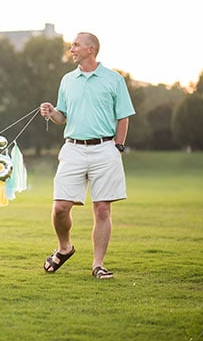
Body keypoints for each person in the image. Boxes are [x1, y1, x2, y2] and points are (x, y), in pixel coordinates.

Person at [39, 32, 135, 279]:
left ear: (90, 49)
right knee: (60, 207)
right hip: (73, 149)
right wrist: (51, 112)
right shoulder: (68, 80)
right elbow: (63, 117)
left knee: (102, 209)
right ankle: (64, 248)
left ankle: (97, 265)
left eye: (76, 45)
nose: (71, 49)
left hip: (105, 149)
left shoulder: (114, 80)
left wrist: (119, 147)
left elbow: (123, 116)